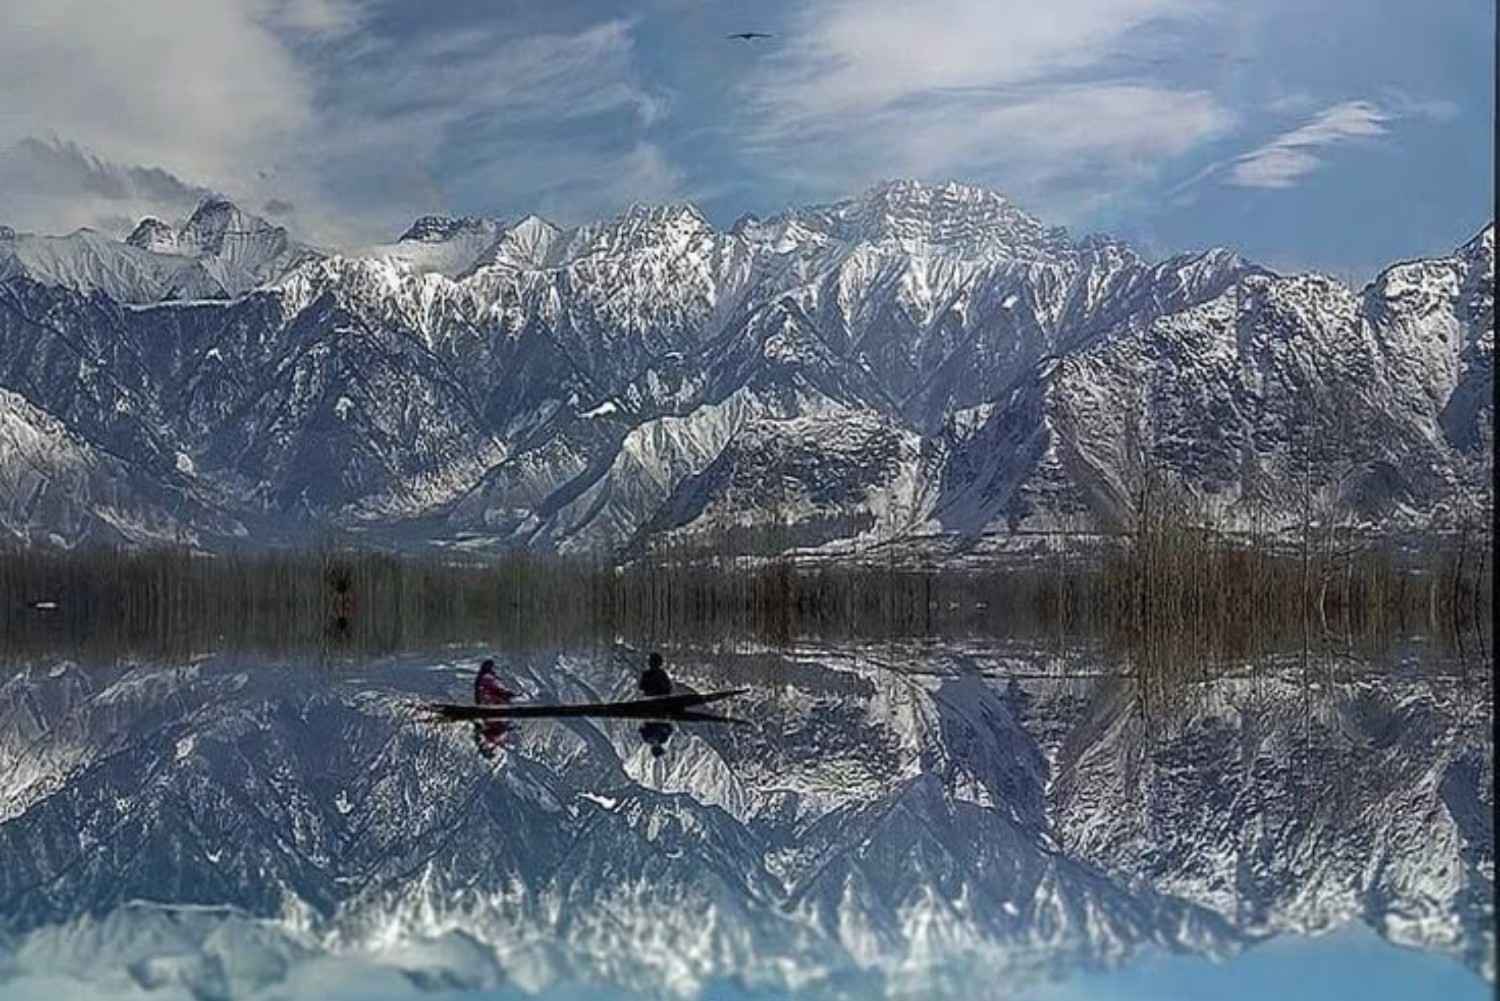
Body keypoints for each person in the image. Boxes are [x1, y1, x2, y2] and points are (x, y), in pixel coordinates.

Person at [472, 658, 515, 759]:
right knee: (497, 730)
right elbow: (496, 689)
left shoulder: (485, 679)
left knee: (495, 730)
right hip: (491, 707)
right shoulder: (486, 678)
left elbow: (497, 689)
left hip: (490, 711)